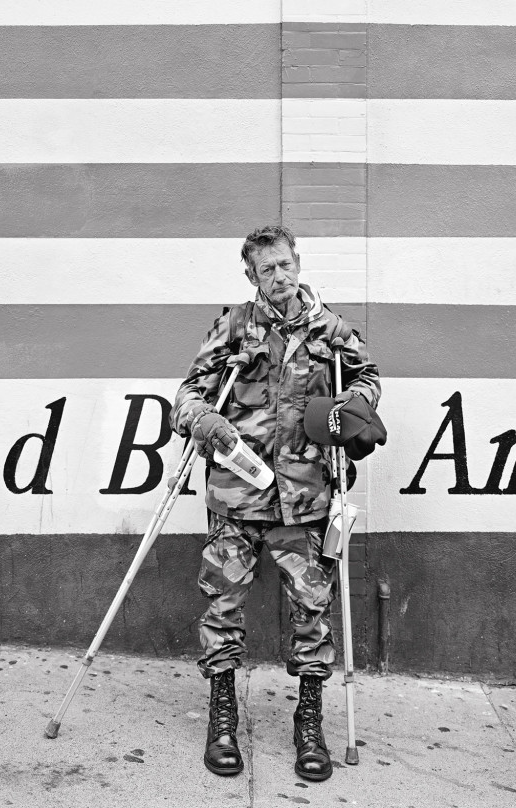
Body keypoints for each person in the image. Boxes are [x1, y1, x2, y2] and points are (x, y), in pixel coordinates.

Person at [171, 224, 381, 782]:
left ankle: (308, 722)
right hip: (237, 499)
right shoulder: (233, 326)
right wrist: (203, 419)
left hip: (305, 499)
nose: (280, 276)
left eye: (286, 264)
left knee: (313, 612)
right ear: (252, 275)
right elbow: (186, 394)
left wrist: (352, 408)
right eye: (268, 269)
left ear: (297, 263)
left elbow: (367, 377)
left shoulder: (330, 329)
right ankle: (222, 719)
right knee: (222, 607)